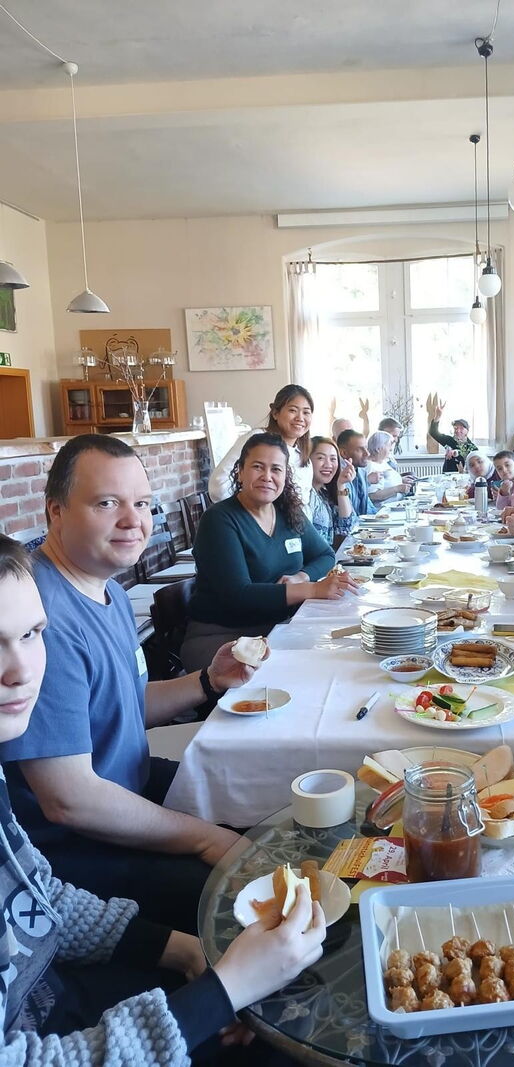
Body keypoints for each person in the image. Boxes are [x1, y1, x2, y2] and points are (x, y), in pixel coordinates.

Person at [0, 533, 326, 1065]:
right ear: (57, 513)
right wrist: (219, 995)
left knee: (287, 995)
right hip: (64, 1019)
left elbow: (40, 901)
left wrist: (183, 952)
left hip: (63, 989)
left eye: (32, 634)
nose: (21, 670)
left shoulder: (103, 599)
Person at [0, 435, 256, 934]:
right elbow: (69, 801)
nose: (132, 520)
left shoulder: (108, 591)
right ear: (55, 511)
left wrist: (207, 681)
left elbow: (123, 705)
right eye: (106, 503)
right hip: (73, 850)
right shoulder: (38, 617)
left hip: (128, 787)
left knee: (257, 802)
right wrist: (205, 839)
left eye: (141, 503)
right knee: (241, 890)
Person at [184, 433, 351, 670]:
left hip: (279, 627)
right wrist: (311, 588)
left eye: (276, 469)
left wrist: (301, 576)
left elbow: (325, 555)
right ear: (240, 471)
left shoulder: (288, 513)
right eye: (257, 467)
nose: (267, 477)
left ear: (285, 476)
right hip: (226, 639)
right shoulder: (219, 520)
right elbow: (238, 595)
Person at [208, 384, 315, 512]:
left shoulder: (304, 455)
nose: (300, 418)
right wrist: (251, 513)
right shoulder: (257, 439)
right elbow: (219, 485)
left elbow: (304, 506)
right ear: (275, 413)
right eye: (293, 410)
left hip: (291, 527)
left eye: (306, 412)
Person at [308, 436, 357, 546]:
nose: (328, 465)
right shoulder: (305, 496)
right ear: (307, 460)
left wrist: (341, 484)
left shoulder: (324, 493)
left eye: (333, 459)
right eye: (321, 458)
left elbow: (347, 527)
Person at [428, 400, 477, 473]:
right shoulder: (449, 440)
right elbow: (433, 432)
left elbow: (473, 455)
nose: (458, 430)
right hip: (447, 477)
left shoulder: (471, 447)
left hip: (463, 478)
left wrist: (455, 452)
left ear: (467, 431)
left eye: (461, 428)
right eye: (456, 428)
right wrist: (437, 416)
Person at [337, 428, 377, 516]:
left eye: (366, 448)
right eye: (360, 449)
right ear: (344, 453)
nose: (367, 453)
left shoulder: (361, 472)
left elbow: (369, 508)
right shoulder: (338, 476)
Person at [365, 431, 412, 503]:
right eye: (389, 445)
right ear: (378, 448)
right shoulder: (371, 466)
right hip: (384, 510)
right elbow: (373, 495)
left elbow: (387, 481)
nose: (391, 449)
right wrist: (397, 489)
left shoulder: (382, 461)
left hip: (398, 504)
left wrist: (401, 480)